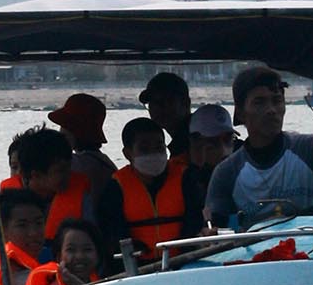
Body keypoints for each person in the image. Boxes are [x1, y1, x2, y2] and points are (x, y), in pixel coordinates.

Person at [204, 64, 313, 229]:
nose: (271, 110)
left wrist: (279, 224)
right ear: (241, 113)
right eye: (259, 102)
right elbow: (217, 227)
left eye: (277, 101)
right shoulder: (226, 173)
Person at [95, 117, 202, 268]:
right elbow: (110, 232)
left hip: (182, 262)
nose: (153, 153)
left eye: (159, 147)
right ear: (127, 153)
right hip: (137, 266)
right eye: (144, 149)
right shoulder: (115, 187)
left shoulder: (185, 178)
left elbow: (195, 219)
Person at [14, 127, 88, 248]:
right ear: (36, 175)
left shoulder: (82, 199)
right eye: (60, 170)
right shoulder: (6, 204)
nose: (69, 175)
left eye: (69, 167)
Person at [46, 93, 117, 190]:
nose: (61, 131)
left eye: (64, 126)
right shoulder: (101, 161)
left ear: (74, 131)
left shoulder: (78, 165)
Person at [25, 218, 105, 285]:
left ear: (98, 254)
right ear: (59, 257)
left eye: (87, 249)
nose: (79, 256)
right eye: (71, 249)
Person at [139, 71, 193, 158]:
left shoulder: (193, 143)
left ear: (185, 103)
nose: (157, 109)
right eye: (152, 103)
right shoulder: (183, 140)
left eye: (166, 101)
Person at [185, 103, 238, 192]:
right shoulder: (181, 180)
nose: (223, 148)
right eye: (213, 140)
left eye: (228, 139)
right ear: (195, 143)